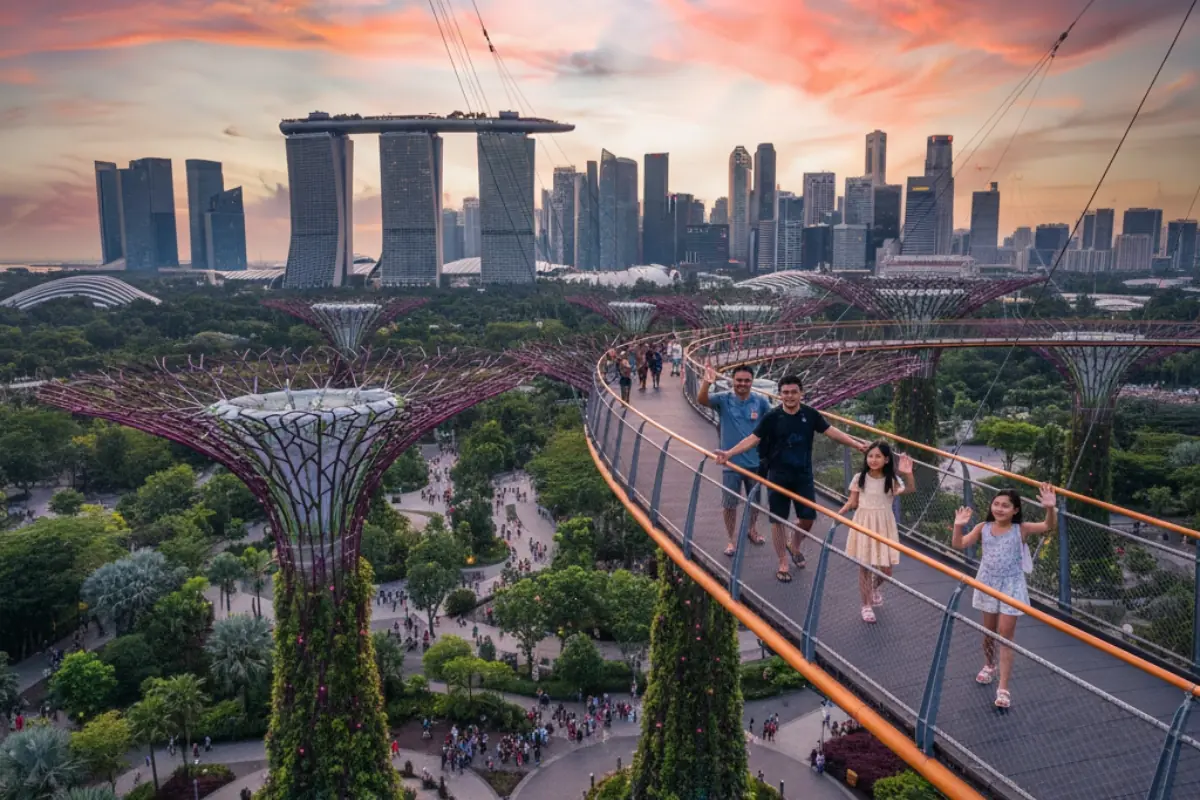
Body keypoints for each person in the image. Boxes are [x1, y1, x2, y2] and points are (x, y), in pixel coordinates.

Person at [715, 375, 867, 582]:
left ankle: (794, 544)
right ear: (780, 395)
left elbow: (831, 432)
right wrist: (729, 453)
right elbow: (753, 439)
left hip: (803, 474)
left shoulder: (810, 414)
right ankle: (783, 561)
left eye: (794, 392)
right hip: (778, 475)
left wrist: (856, 444)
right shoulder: (772, 417)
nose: (789, 396)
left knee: (808, 518)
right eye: (785, 393)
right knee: (778, 520)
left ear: (801, 393)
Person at [952, 483, 1057, 709]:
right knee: (988, 633)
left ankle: (1003, 688)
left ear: (1015, 510)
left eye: (1006, 506)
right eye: (997, 504)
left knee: (1005, 635)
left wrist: (1050, 508)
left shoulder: (1022, 530)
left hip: (1011, 585)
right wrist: (958, 526)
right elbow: (958, 544)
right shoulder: (983, 527)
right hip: (988, 583)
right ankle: (989, 665)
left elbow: (1048, 526)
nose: (1000, 509)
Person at [838, 441, 915, 623]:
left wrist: (908, 473)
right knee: (865, 567)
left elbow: (910, 489)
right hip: (864, 523)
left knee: (887, 570)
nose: (873, 460)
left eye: (878, 456)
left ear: (886, 459)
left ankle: (872, 588)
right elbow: (852, 502)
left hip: (884, 525)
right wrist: (837, 515)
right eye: (870, 456)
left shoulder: (891, 480)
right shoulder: (860, 477)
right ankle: (865, 604)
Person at [698, 364, 770, 556]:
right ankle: (731, 539)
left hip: (755, 462)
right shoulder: (723, 399)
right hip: (730, 463)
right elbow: (702, 399)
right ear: (732, 381)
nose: (742, 384)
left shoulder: (761, 402)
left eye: (747, 381)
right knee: (729, 504)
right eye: (739, 380)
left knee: (754, 502)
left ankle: (752, 529)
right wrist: (707, 383)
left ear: (752, 382)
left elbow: (771, 424)